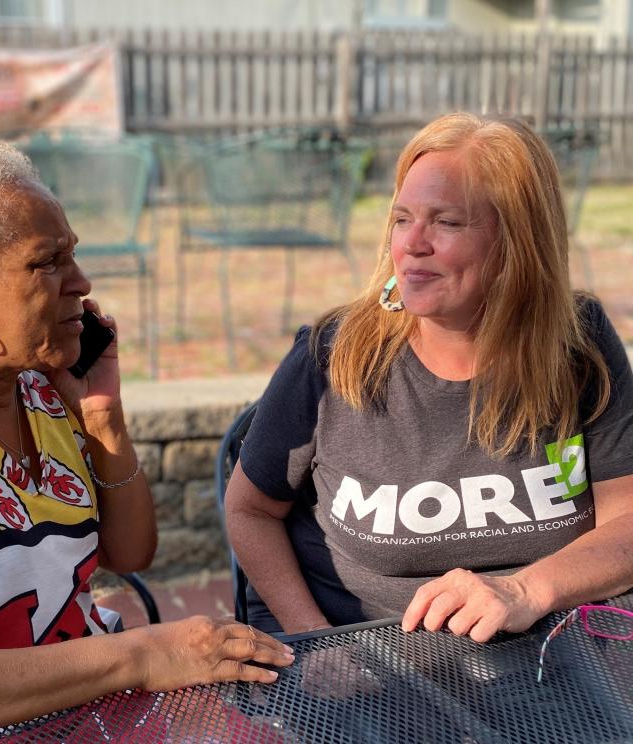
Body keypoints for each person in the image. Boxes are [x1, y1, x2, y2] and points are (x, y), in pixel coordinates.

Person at [0, 141, 293, 743]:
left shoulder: (37, 390)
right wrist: (139, 657)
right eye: (47, 262)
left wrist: (103, 417)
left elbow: (131, 550)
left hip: (95, 712)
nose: (82, 282)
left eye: (74, 256)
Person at [225, 113, 633, 643]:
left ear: (518, 241)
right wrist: (316, 641)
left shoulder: (578, 349)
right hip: (364, 660)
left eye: (446, 222)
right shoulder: (332, 356)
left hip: (546, 656)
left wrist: (524, 592)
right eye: (401, 218)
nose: (412, 243)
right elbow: (249, 509)